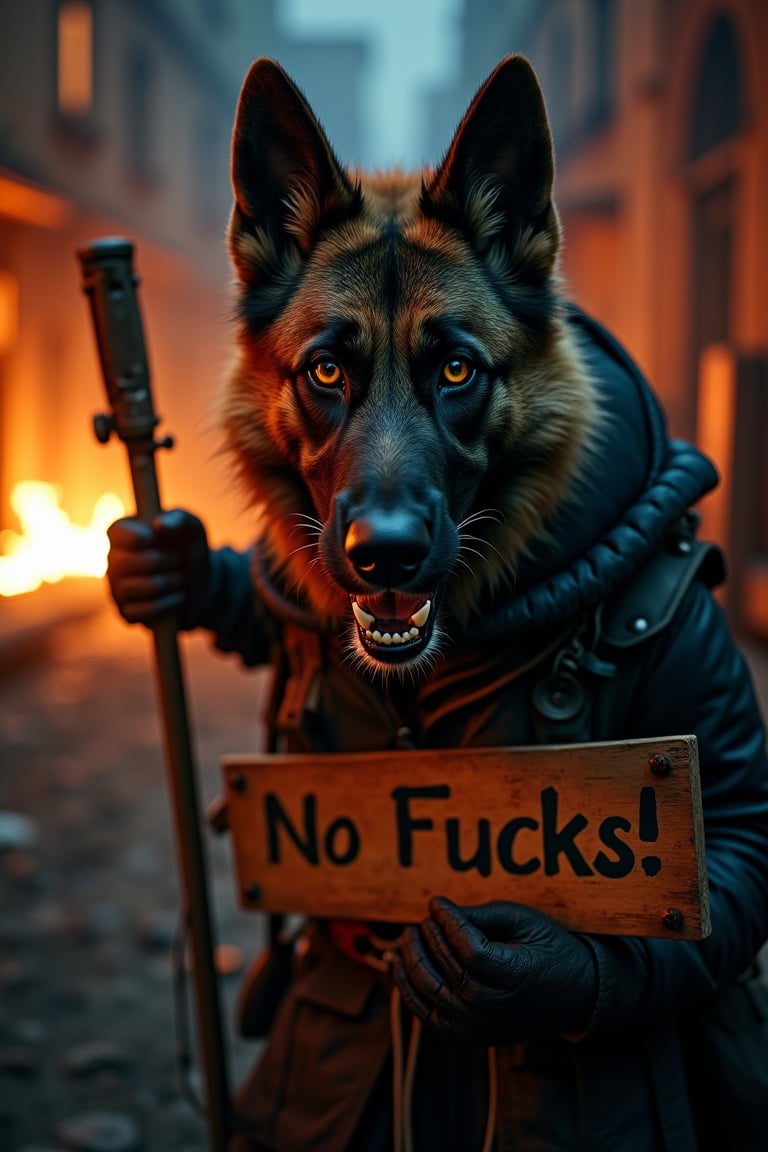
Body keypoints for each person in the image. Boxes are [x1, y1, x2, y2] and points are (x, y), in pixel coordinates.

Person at [106, 53, 768, 1152]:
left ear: (515, 362)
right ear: (277, 370)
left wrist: (600, 972)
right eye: (331, 373)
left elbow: (749, 838)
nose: (383, 527)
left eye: (453, 373)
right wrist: (204, 583)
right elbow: (298, 610)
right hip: (346, 1090)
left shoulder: (648, 596)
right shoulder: (322, 558)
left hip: (578, 1099)